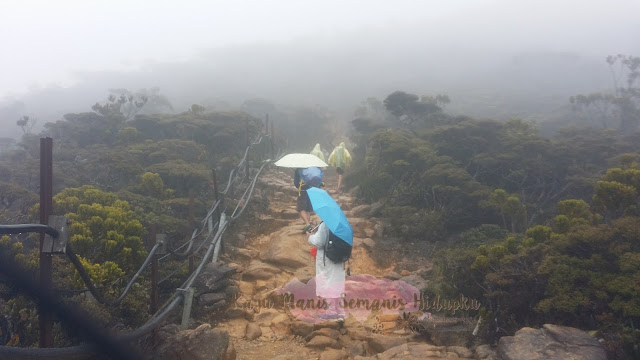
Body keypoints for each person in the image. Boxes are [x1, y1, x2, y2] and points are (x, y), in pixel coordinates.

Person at [307, 222, 346, 320]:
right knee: (338, 284)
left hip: (328, 259)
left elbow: (319, 242)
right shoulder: (342, 223)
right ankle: (341, 312)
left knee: (329, 284)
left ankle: (331, 313)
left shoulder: (325, 224)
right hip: (339, 258)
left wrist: (310, 237)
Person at [294, 168, 314, 233]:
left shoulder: (298, 170)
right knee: (308, 209)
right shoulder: (311, 169)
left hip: (302, 191)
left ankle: (307, 224)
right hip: (310, 191)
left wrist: (300, 185)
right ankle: (308, 226)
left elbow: (296, 183)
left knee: (301, 209)